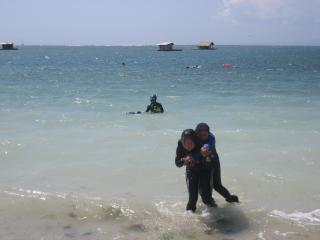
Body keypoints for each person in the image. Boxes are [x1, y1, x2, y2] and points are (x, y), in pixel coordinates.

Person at [195, 123, 239, 203]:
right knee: (202, 190)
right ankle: (212, 205)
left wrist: (204, 148)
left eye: (205, 135)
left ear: (208, 133)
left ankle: (230, 199)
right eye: (200, 135)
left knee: (217, 185)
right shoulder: (193, 138)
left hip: (213, 161)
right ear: (196, 133)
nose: (202, 137)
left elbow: (208, 146)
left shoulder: (211, 138)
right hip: (200, 164)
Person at [175, 129, 216, 212]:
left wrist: (206, 153)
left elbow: (211, 142)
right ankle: (189, 220)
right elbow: (177, 163)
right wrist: (183, 161)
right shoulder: (180, 145)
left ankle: (217, 214)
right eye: (185, 144)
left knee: (206, 198)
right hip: (192, 171)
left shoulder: (201, 143)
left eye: (190, 143)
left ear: (195, 140)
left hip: (205, 170)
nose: (187, 146)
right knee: (192, 199)